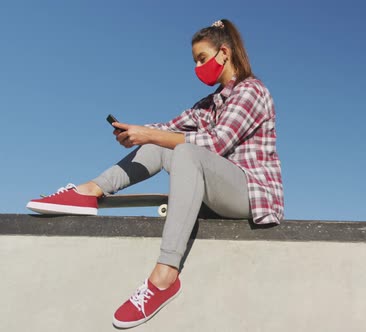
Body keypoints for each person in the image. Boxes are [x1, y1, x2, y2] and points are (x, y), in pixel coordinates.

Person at [26, 19, 284, 328]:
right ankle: (89, 192)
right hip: (217, 191)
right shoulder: (208, 104)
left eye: (202, 59)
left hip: (252, 194)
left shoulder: (252, 91)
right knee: (163, 144)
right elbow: (168, 129)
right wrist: (137, 132)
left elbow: (215, 144)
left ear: (224, 53)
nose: (197, 67)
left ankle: (164, 277)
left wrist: (150, 135)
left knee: (186, 149)